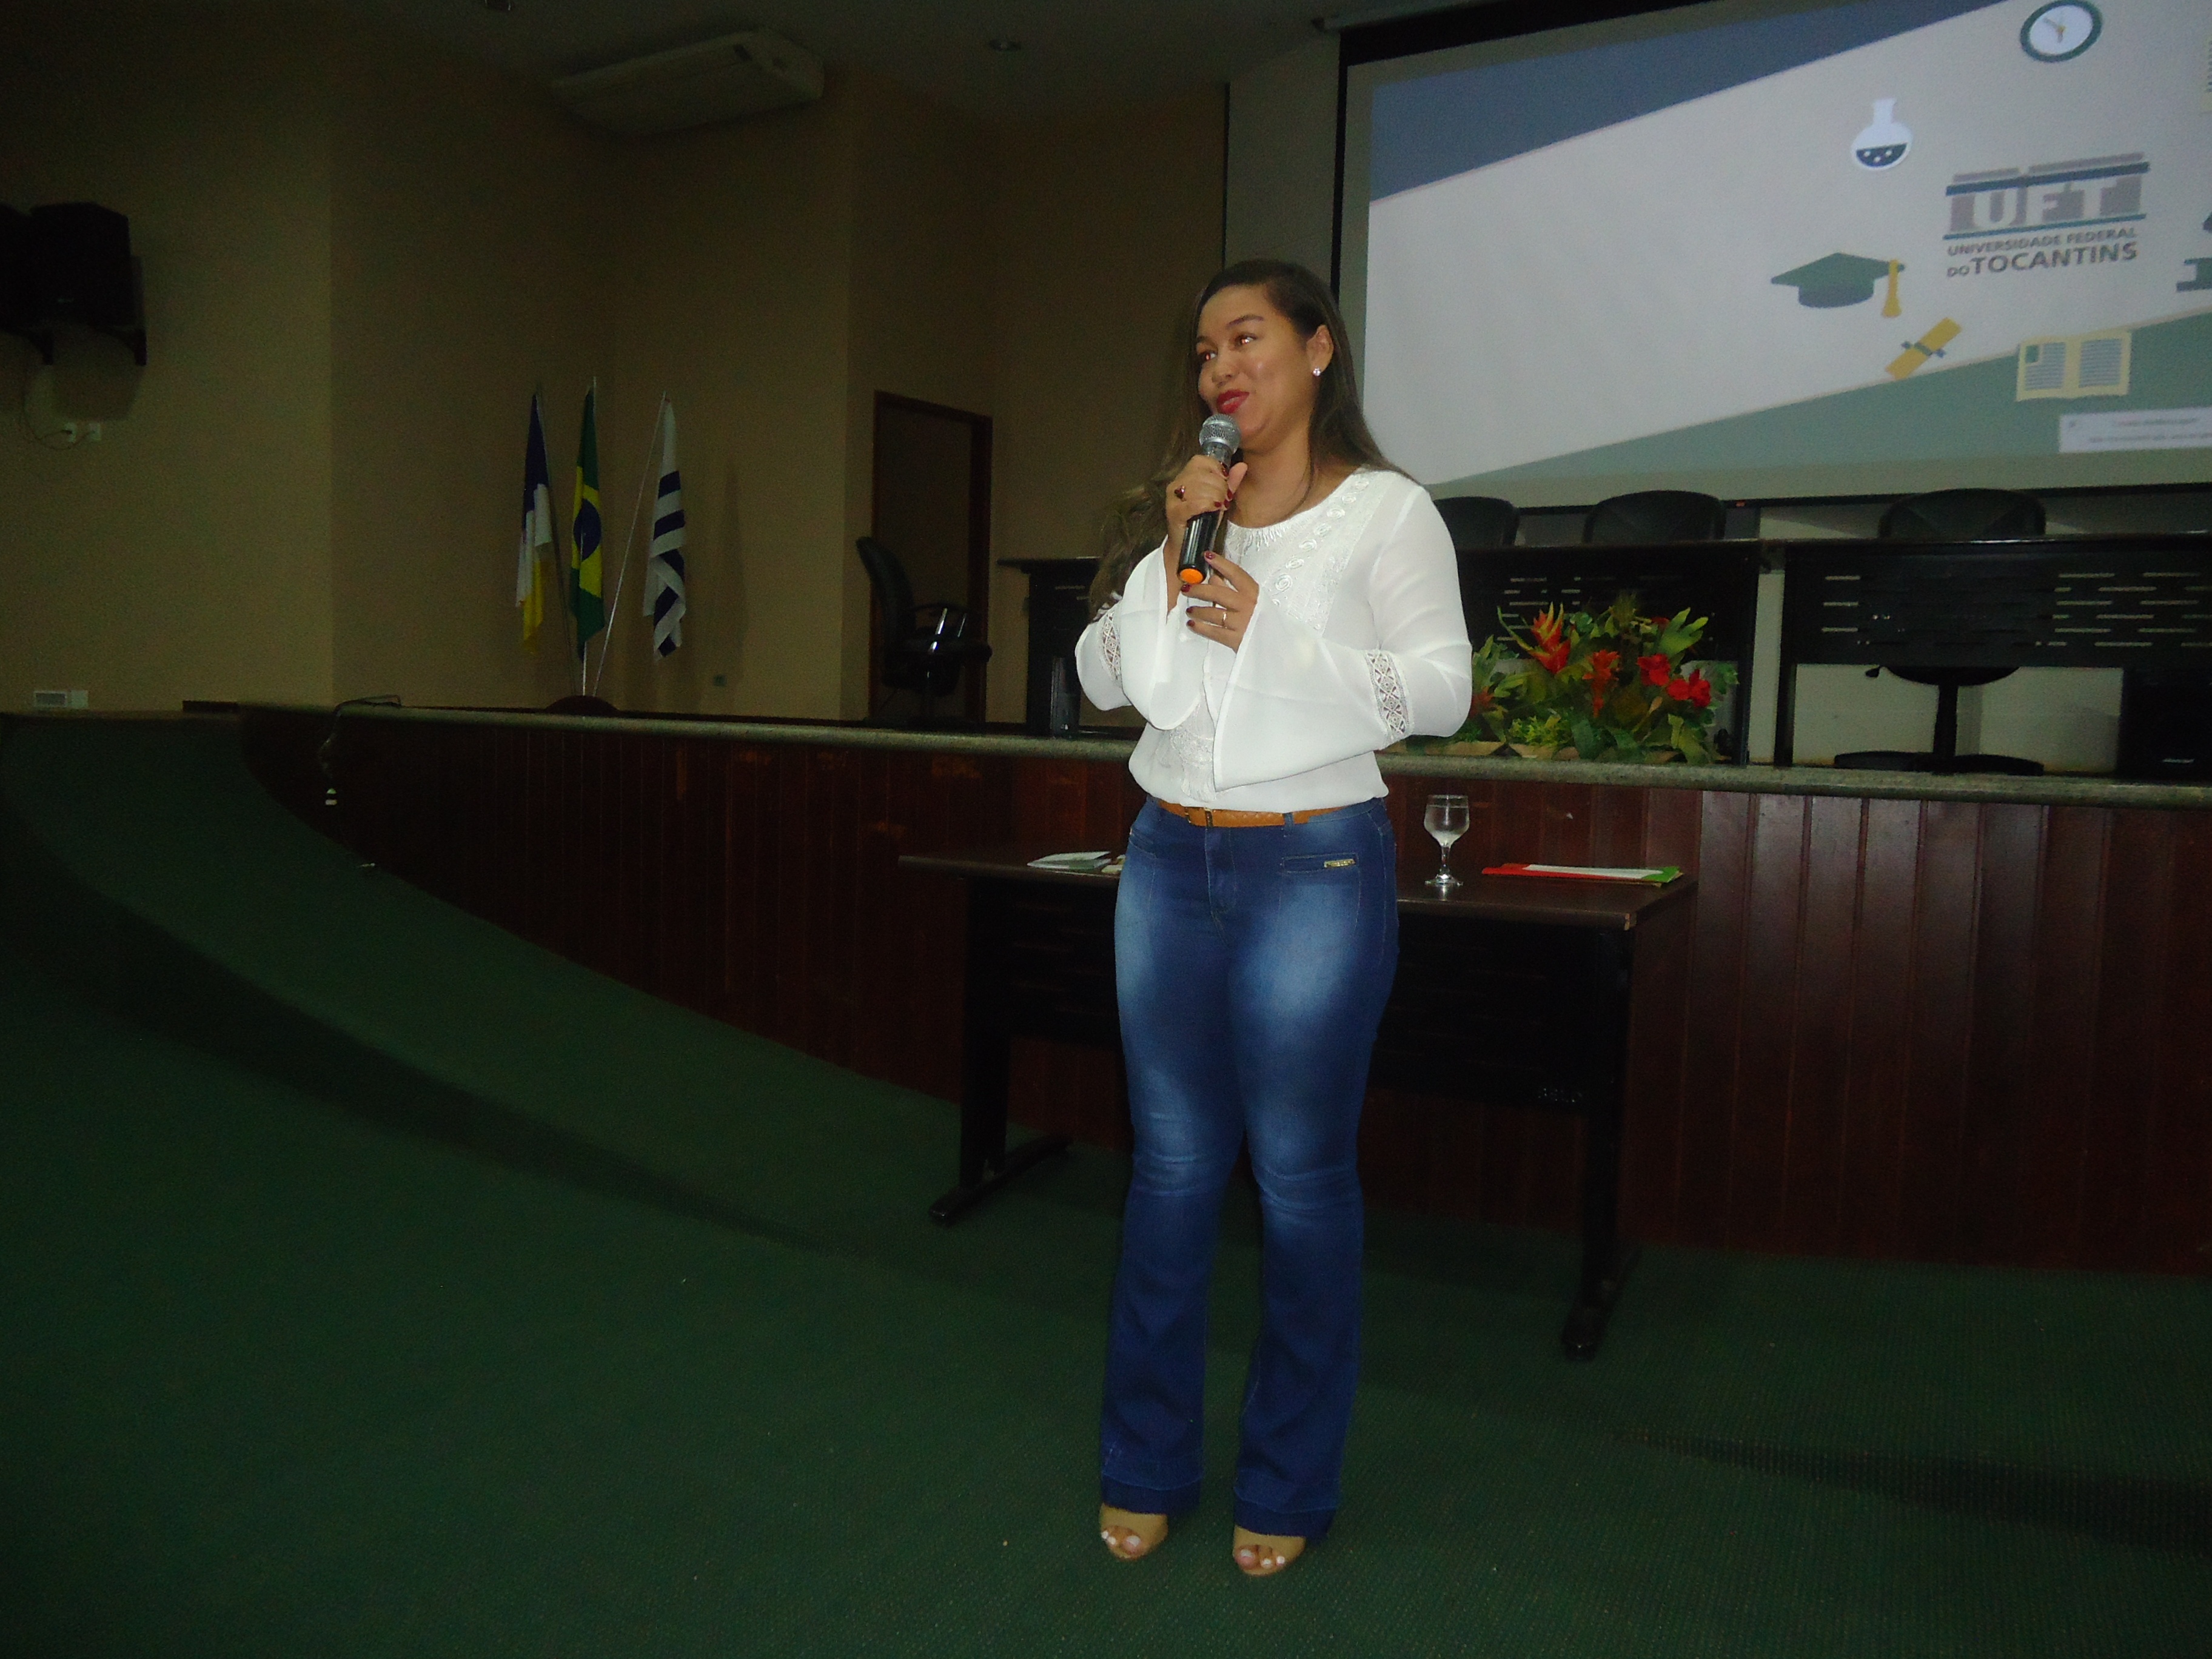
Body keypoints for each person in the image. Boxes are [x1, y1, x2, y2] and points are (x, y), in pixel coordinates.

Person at [1073, 260, 1472, 1577]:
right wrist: (1174, 549)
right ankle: (1144, 1462)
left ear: (1318, 350)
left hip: (1315, 869)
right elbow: (1115, 682)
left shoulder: (1389, 514)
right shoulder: (1196, 512)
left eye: (1245, 338)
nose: (1218, 369)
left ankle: (1288, 1482)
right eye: (1201, 352)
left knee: (1300, 1184)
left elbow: (1441, 691)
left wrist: (1272, 634)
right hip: (1165, 861)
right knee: (1171, 1176)